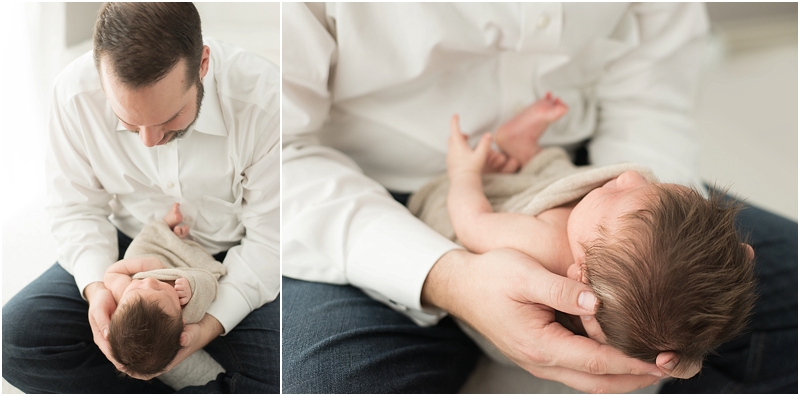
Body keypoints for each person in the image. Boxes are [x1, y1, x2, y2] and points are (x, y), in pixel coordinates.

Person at [281, 3, 797, 393]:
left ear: (580, 275)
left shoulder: (567, 225)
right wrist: (450, 275)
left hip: (507, 169)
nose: (631, 176)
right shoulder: (585, 227)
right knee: (331, 379)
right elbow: (275, 151)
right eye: (629, 184)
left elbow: (649, 99)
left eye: (632, 195)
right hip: (352, 192)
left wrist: (691, 277)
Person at [2, 3, 280, 393]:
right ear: (101, 76)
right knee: (17, 341)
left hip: (230, 259)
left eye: (169, 118)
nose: (150, 141)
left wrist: (206, 327)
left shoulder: (265, 103)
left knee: (300, 375)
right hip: (129, 245)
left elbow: (271, 241)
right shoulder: (73, 95)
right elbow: (76, 208)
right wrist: (99, 288)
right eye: (130, 123)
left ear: (202, 64)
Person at [407, 103, 756, 376]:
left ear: (580, 277)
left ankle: (511, 168)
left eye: (614, 198)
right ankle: (524, 148)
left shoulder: (539, 242)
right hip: (581, 235)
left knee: (566, 197)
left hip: (463, 215)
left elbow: (471, 222)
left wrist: (463, 172)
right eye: (654, 188)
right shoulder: (615, 283)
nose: (630, 176)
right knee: (582, 194)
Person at [105, 203, 227, 379]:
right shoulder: (189, 310)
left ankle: (164, 225)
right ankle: (182, 243)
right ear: (182, 320)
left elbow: (111, 272)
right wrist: (192, 288)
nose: (149, 281)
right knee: (211, 272)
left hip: (151, 253)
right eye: (160, 290)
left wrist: (141, 265)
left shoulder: (121, 294)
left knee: (137, 249)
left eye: (136, 289)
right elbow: (210, 284)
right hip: (186, 263)